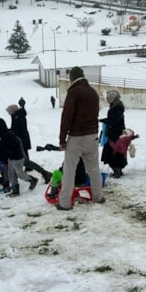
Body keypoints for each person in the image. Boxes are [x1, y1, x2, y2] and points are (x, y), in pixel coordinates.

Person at [58, 66, 104, 210]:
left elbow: (66, 117)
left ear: (71, 78)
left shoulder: (73, 92)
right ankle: (98, 196)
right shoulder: (93, 92)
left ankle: (64, 203)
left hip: (77, 136)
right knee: (94, 169)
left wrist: (62, 139)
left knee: (69, 170)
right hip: (93, 135)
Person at [0, 118, 37, 196]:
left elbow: (4, 149)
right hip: (11, 158)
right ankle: (15, 190)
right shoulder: (4, 136)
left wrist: (0, 158)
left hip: (17, 158)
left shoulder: (8, 136)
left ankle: (32, 179)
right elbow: (1, 150)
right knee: (11, 174)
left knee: (19, 174)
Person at [100, 90, 127, 178]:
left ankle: (116, 170)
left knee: (111, 152)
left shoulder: (116, 108)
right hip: (117, 133)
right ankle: (118, 169)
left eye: (108, 98)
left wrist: (104, 121)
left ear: (113, 98)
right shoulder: (116, 106)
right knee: (117, 152)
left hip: (115, 134)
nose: (107, 100)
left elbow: (113, 121)